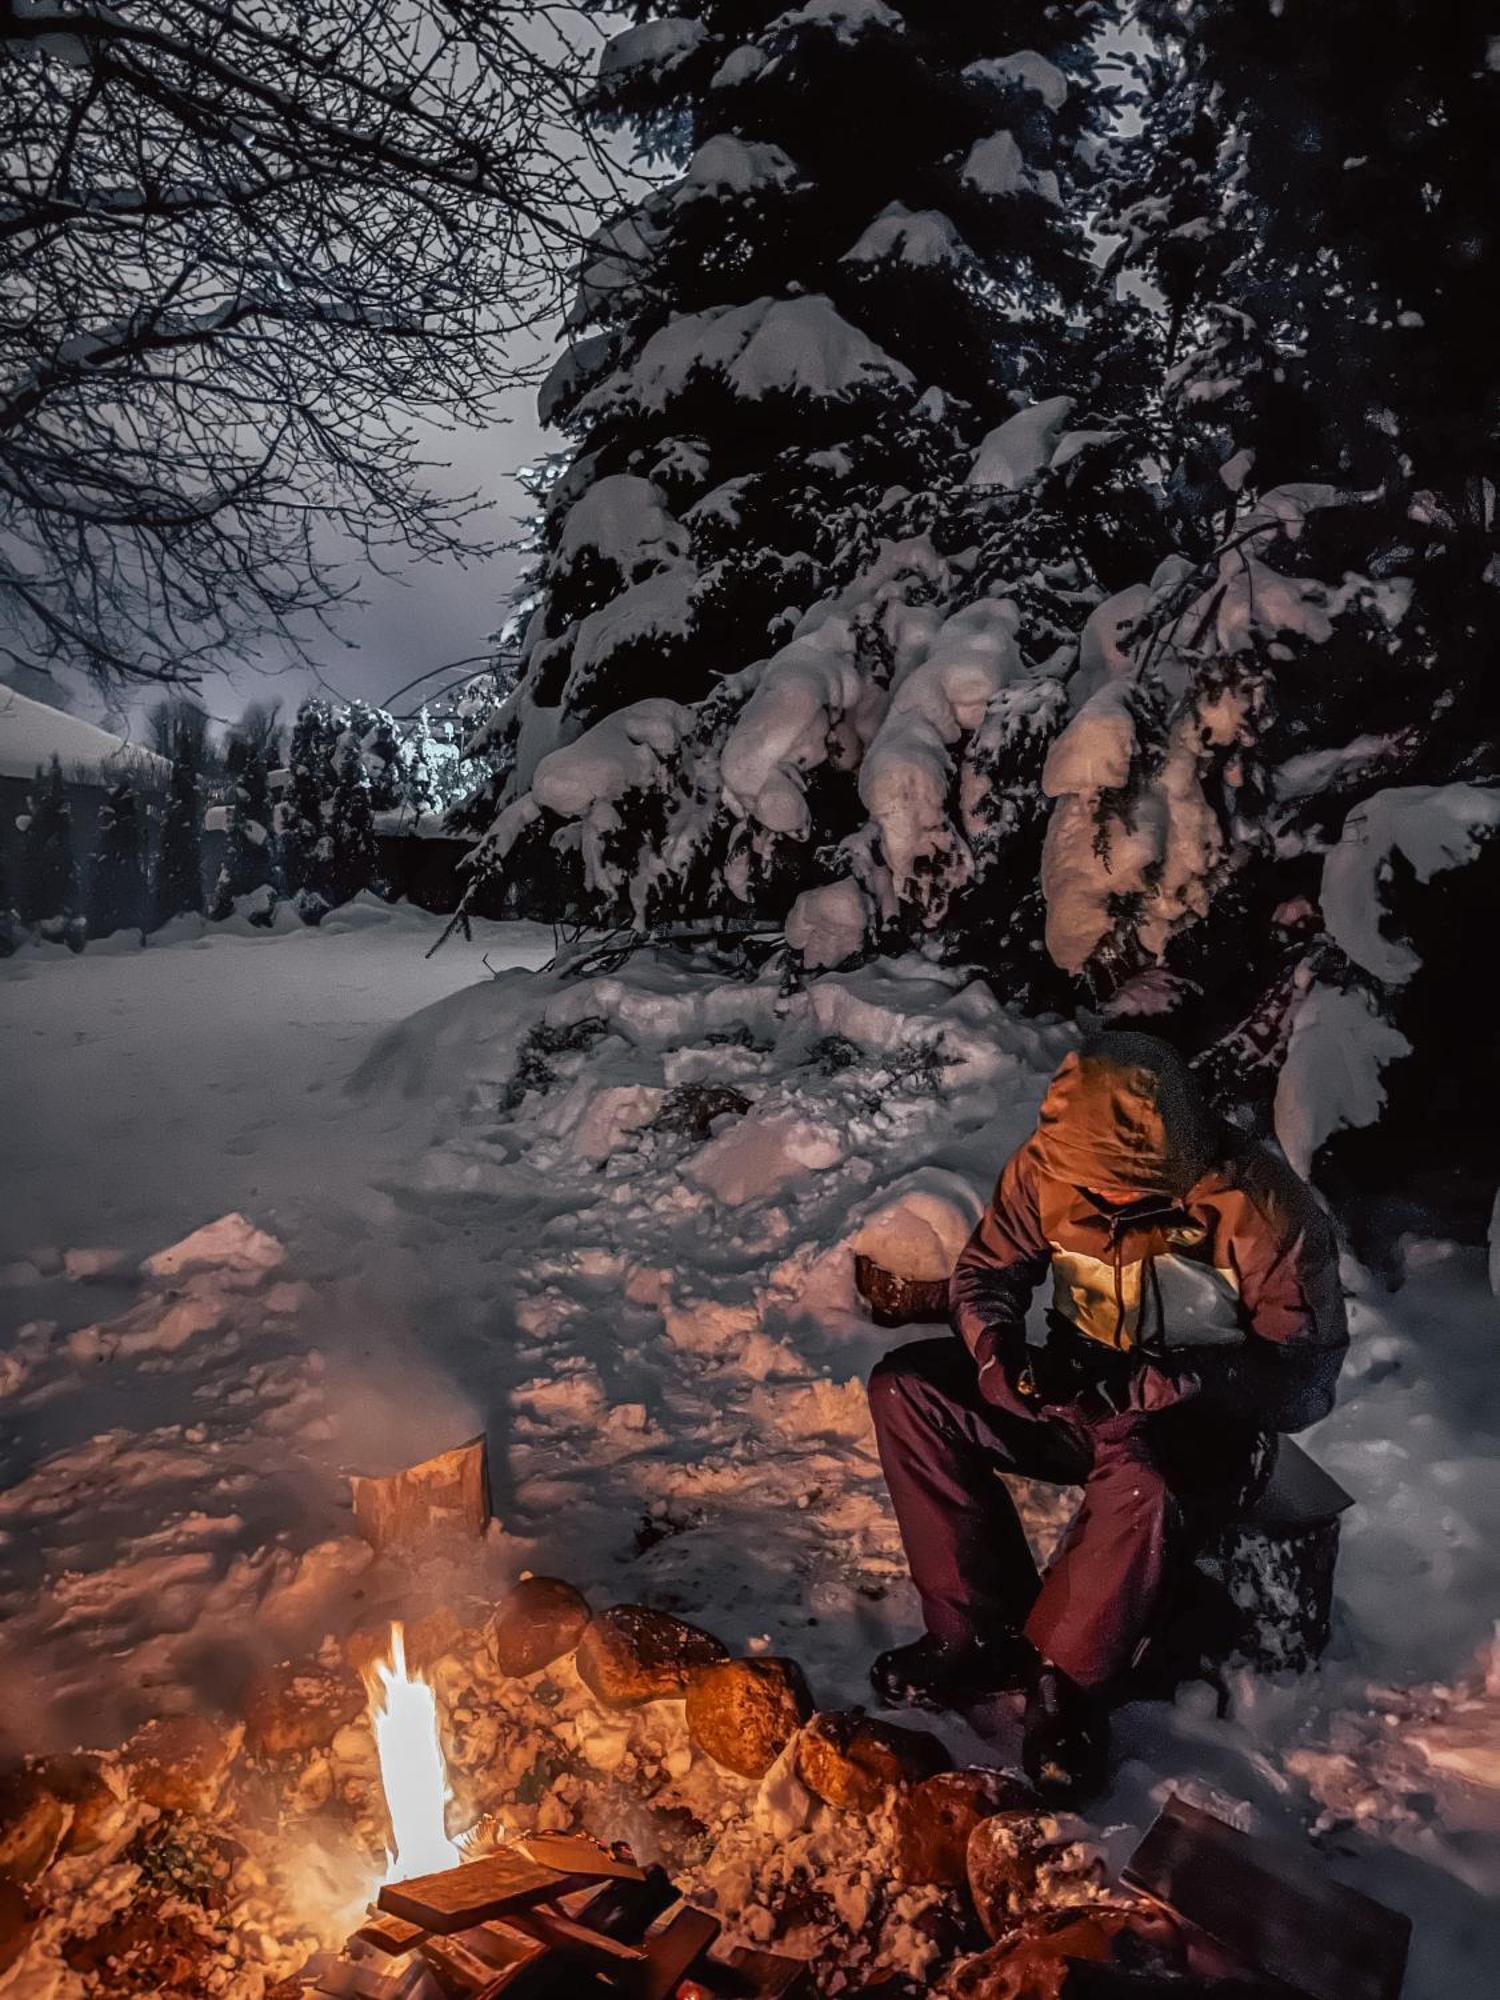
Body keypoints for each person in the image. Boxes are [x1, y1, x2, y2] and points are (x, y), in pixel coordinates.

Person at [866, 1031, 1347, 1802]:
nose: (1112, 1205)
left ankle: (1065, 1689)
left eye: (1135, 1191)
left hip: (1205, 1423)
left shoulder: (1262, 1210)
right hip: (1084, 1389)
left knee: (1143, 1481)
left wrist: (1189, 1380)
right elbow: (987, 1272)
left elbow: (1306, 1383)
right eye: (1096, 1191)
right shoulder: (1047, 1168)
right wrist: (996, 1354)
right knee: (908, 1391)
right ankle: (972, 1634)